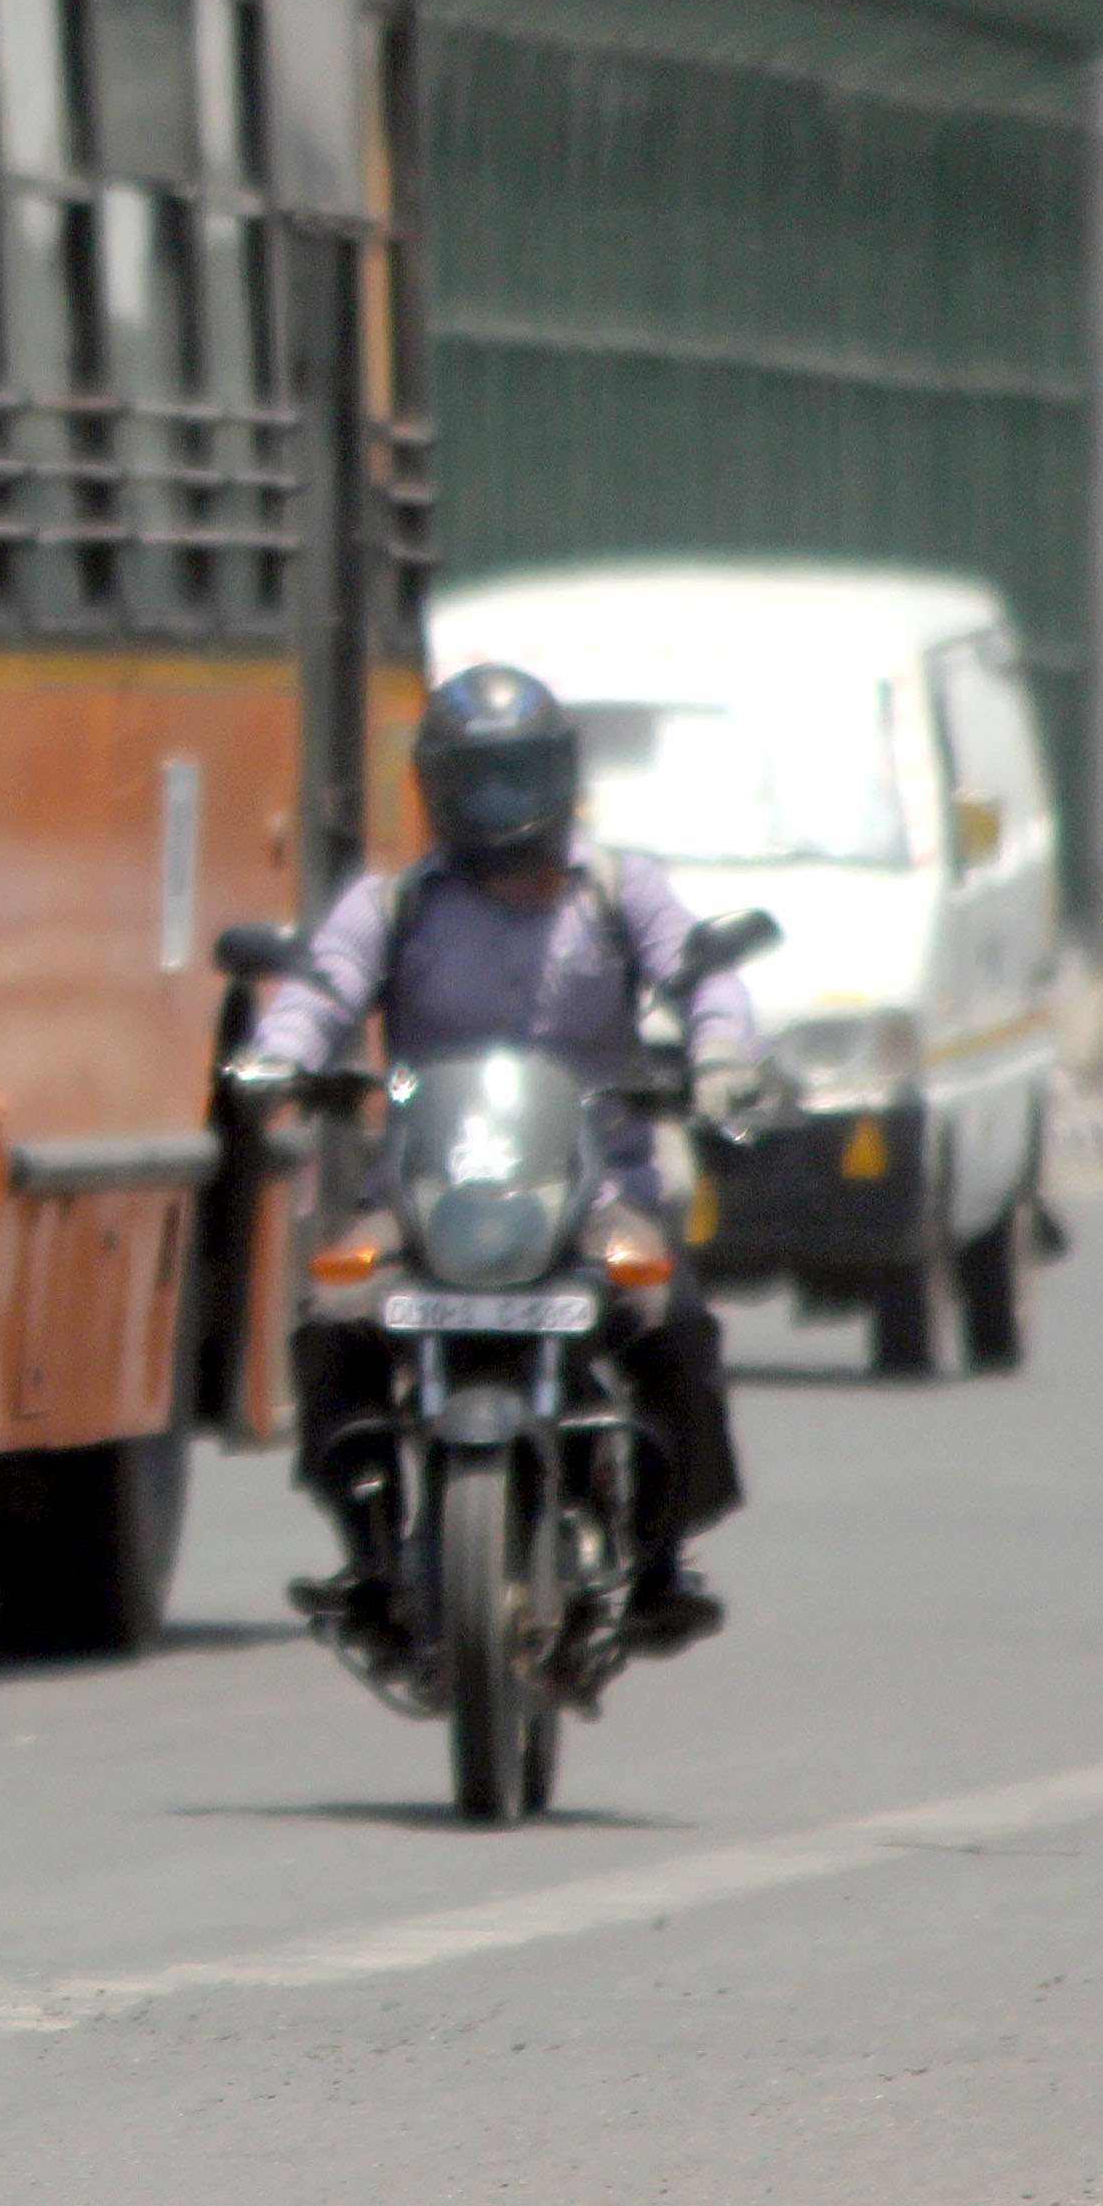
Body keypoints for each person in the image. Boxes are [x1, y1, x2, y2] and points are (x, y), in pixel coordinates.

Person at [228, 663, 766, 1648]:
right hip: (426, 1189)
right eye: (478, 780)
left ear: (560, 777)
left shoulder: (620, 890)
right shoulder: (394, 906)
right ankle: (371, 1547)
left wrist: (723, 1055)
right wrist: (280, 1057)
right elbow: (323, 984)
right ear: (437, 790)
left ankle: (655, 1555)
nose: (501, 803)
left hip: (595, 1191)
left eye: (520, 776)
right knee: (331, 1311)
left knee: (671, 1318)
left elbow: (702, 975)